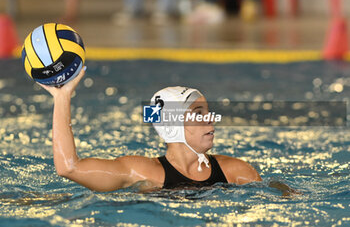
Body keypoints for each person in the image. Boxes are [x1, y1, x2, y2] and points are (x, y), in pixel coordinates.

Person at [39, 67, 262, 192]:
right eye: (198, 113)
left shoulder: (237, 172)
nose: (210, 120)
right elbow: (69, 168)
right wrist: (62, 97)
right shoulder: (142, 172)